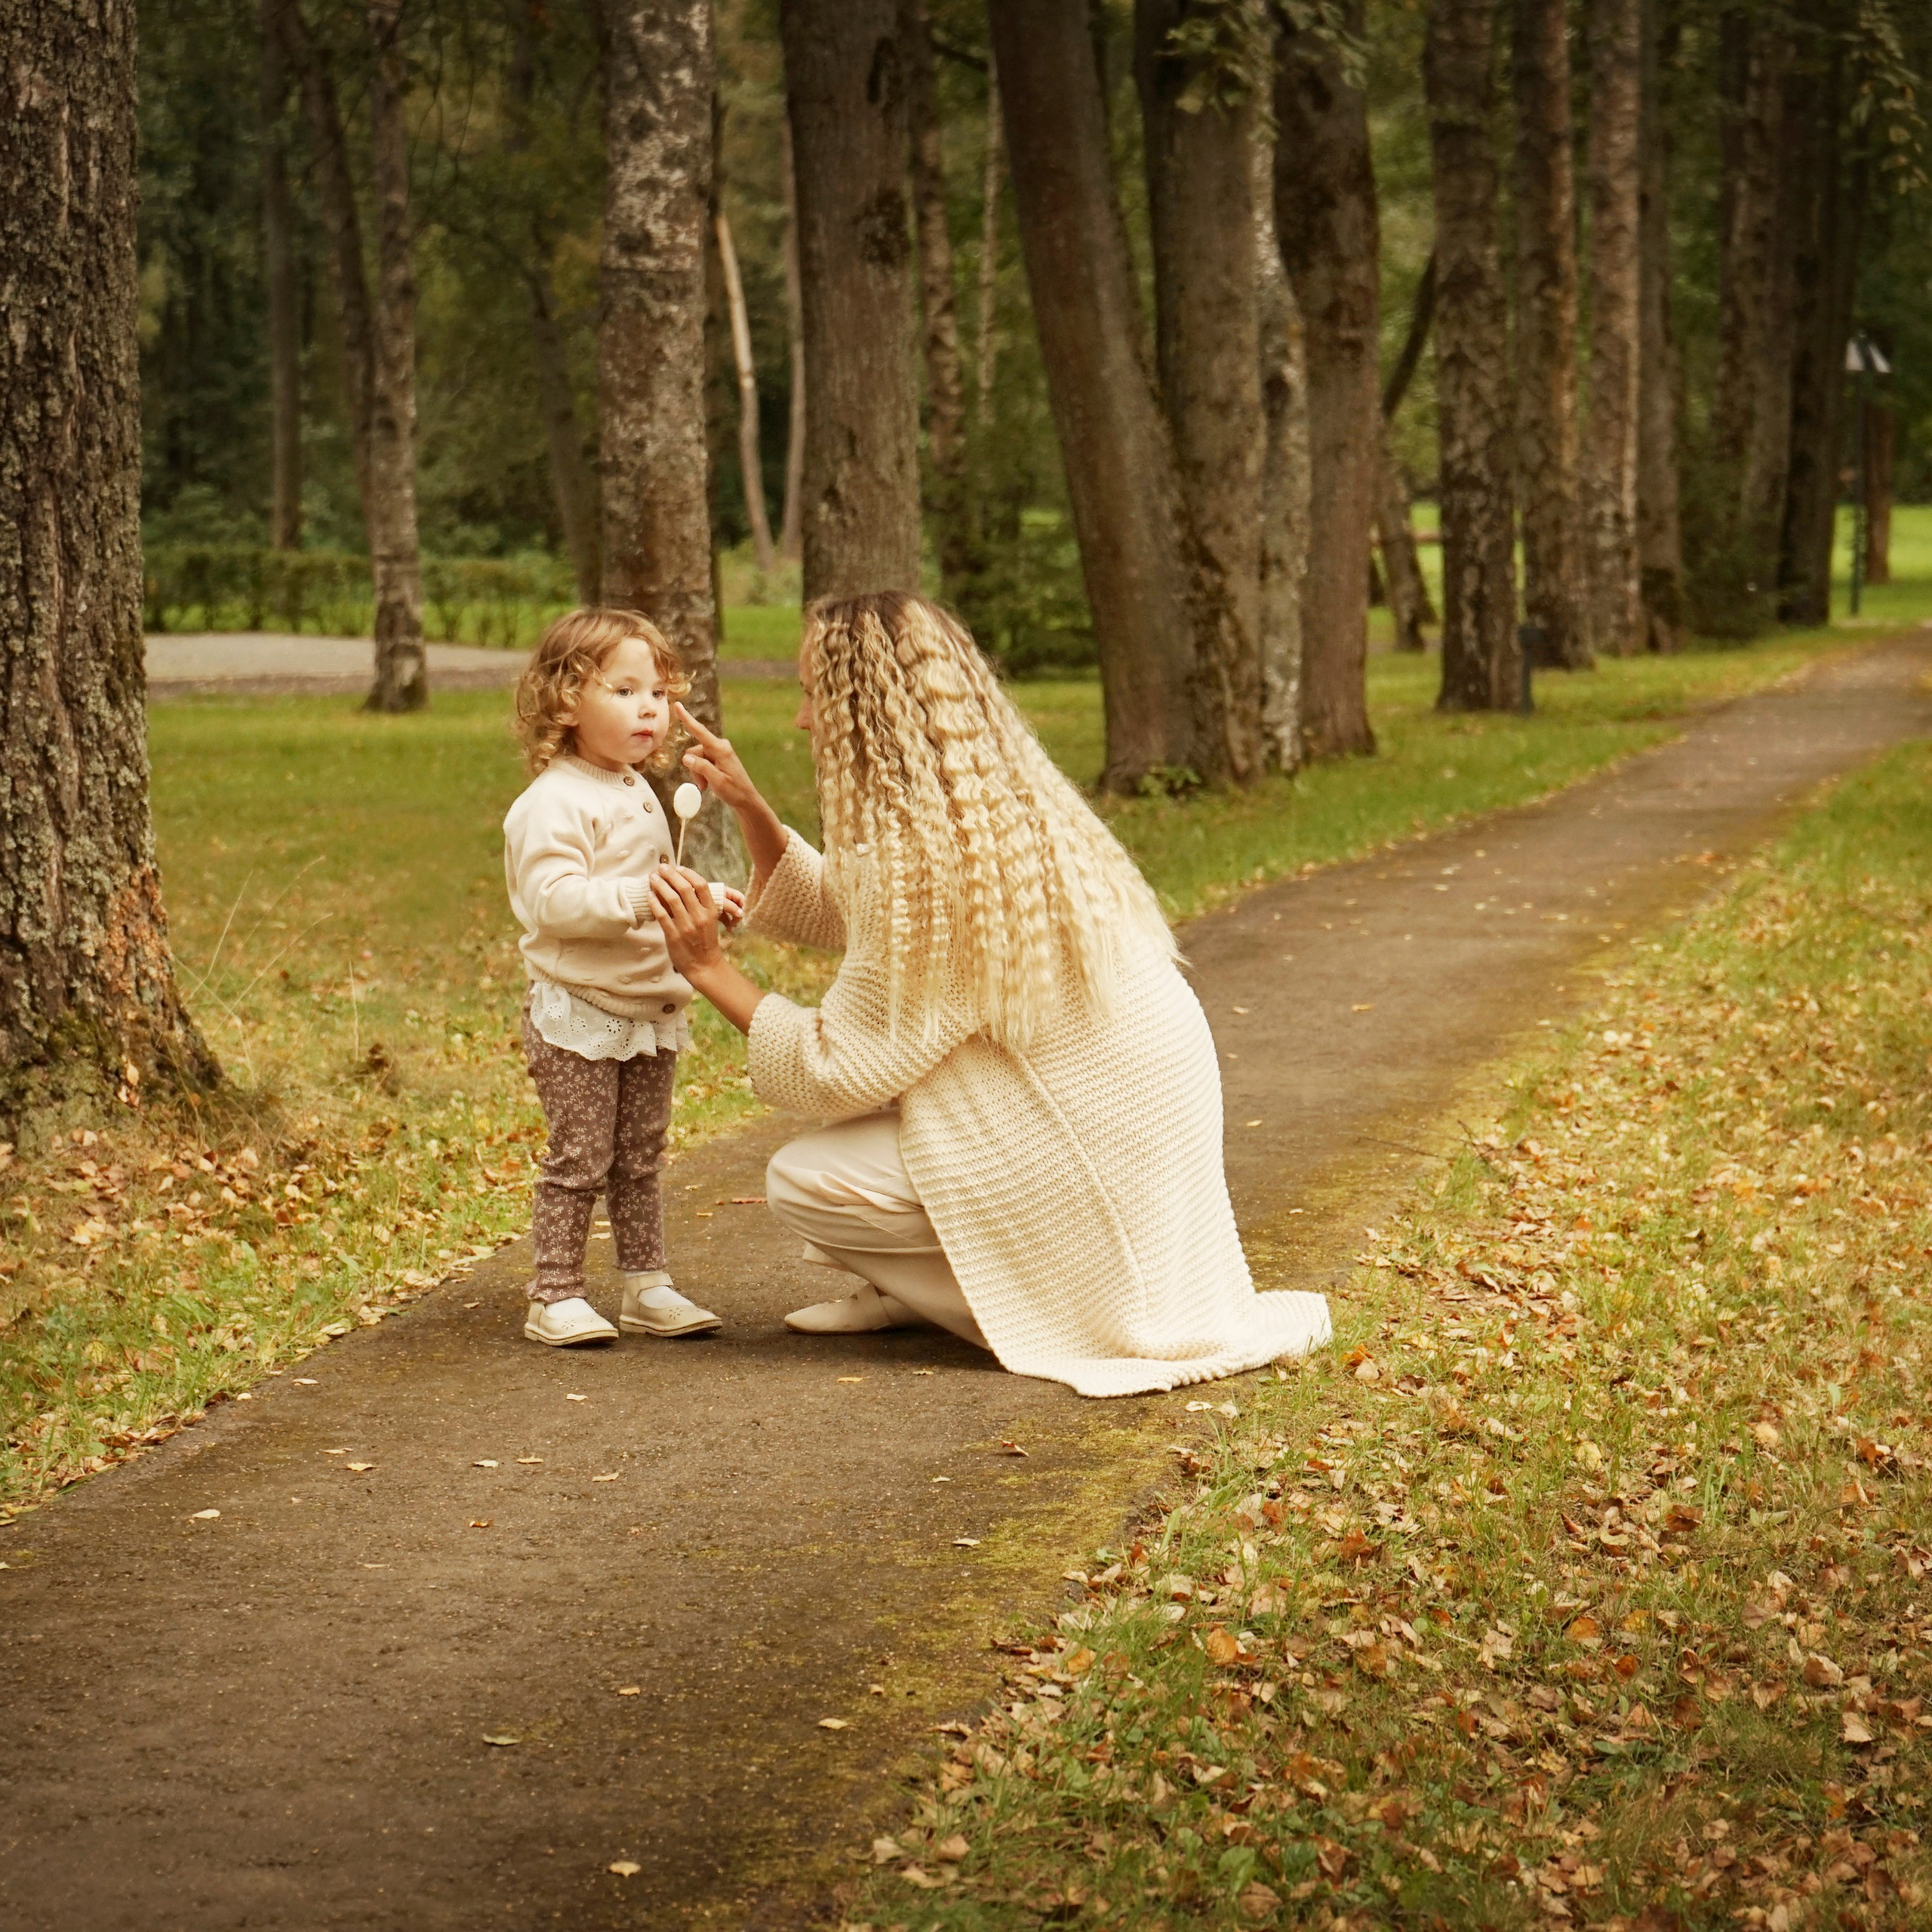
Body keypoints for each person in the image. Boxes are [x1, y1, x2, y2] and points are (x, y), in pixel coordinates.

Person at [648, 592, 1330, 1398]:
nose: (800, 720)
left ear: (860, 712)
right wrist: (751, 808)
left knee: (805, 1177)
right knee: (900, 1106)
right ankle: (921, 1285)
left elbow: (834, 1065)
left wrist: (707, 969)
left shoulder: (928, 859)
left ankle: (1009, 1302)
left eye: (811, 697)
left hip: (1100, 1149)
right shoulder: (983, 805)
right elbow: (857, 911)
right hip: (1135, 1132)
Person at [504, 608, 743, 1348]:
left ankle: (646, 1282)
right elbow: (553, 903)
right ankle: (555, 1292)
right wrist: (648, 899)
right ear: (567, 699)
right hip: (581, 1008)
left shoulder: (635, 787)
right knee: (580, 1155)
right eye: (626, 690)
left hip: (648, 1006)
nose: (651, 709)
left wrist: (700, 897)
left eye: (660, 693)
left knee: (640, 1156)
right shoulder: (554, 800)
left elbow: (650, 880)